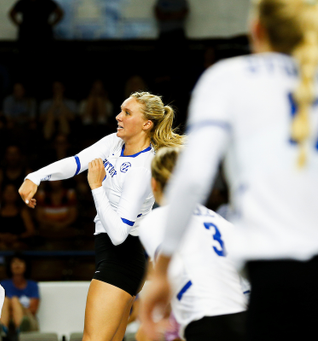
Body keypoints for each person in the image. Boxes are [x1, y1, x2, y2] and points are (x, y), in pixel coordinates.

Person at [140, 1, 318, 340]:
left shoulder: (229, 78)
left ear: (256, 30)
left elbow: (192, 177)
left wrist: (162, 271)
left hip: (275, 267)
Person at [19, 91, 183, 341]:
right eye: (120, 110)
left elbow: (118, 234)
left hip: (122, 256)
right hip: (118, 255)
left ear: (147, 124)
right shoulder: (114, 143)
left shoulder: (143, 167)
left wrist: (96, 187)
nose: (118, 116)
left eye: (127, 113)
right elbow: (75, 162)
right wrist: (35, 176)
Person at [138, 147, 247, 341]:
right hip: (243, 320)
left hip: (205, 319)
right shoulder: (222, 223)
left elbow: (171, 270)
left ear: (154, 184)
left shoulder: (156, 219)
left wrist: (155, 317)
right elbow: (244, 282)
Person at [0, 253, 40, 335]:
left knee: (14, 300)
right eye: (14, 262)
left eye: (20, 262)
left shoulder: (32, 285)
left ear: (26, 266)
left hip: (28, 321)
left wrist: (16, 307)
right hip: (8, 320)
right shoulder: (3, 285)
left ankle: (20, 330)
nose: (17, 265)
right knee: (6, 300)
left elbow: (33, 310)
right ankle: (2, 330)